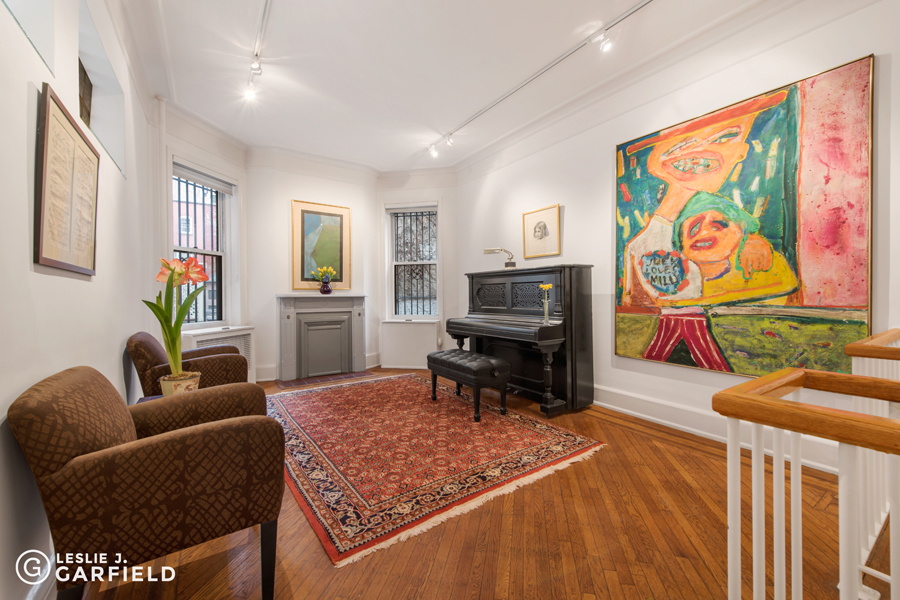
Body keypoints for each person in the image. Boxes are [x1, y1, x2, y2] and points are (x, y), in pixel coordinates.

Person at [639, 192, 797, 369]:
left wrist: (753, 238)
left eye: (718, 226)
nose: (704, 233)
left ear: (741, 230)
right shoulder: (676, 277)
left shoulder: (760, 262)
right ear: (680, 242)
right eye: (693, 229)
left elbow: (786, 288)